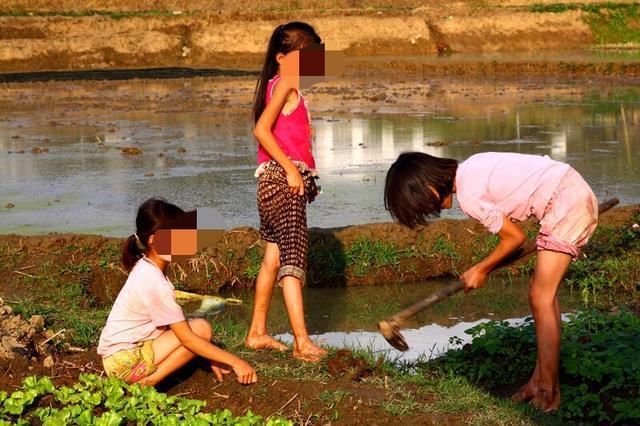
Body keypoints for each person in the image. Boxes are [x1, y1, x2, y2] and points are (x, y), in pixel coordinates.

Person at [384, 152, 598, 412]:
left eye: (424, 206)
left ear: (429, 190)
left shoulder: (470, 196)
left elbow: (514, 239)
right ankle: (539, 380)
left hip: (566, 203)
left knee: (540, 297)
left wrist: (481, 269)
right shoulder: (471, 167)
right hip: (569, 191)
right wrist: (486, 266)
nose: (434, 211)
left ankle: (549, 391)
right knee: (543, 295)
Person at [97, 198, 257, 386]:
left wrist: (211, 358)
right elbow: (188, 339)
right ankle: (150, 381)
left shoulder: (145, 267)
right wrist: (236, 362)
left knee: (194, 328)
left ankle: (147, 377)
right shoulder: (155, 282)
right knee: (201, 329)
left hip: (116, 361)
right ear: (153, 240)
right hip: (126, 363)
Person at [245, 21, 327, 362]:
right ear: (282, 58)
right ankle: (302, 342)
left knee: (273, 258)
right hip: (282, 181)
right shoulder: (285, 85)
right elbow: (261, 131)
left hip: (270, 181)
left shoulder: (283, 85)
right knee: (292, 262)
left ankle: (257, 332)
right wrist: (293, 170)